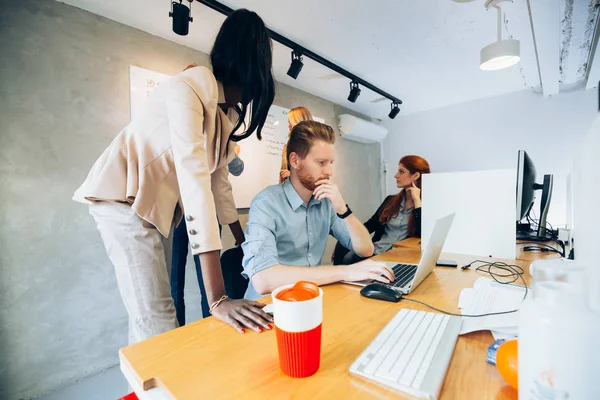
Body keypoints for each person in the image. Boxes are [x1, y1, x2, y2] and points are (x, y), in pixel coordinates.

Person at [73, 9, 275, 342]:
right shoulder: (193, 87)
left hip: (154, 213)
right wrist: (218, 299)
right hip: (123, 203)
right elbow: (195, 184)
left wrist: (247, 250)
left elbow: (219, 186)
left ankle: (141, 389)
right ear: (252, 66)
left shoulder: (224, 113)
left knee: (150, 314)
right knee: (158, 322)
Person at [242, 121, 394, 300]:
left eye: (331, 163)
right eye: (321, 163)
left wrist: (343, 209)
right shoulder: (266, 203)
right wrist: (345, 272)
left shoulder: (325, 202)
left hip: (308, 298)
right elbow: (263, 279)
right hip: (267, 306)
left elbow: (366, 249)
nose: (329, 171)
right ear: (295, 160)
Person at [170, 145, 245, 326]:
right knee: (210, 288)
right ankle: (211, 336)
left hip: (176, 213)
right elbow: (233, 173)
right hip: (203, 216)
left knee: (175, 285)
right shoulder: (217, 134)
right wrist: (239, 235)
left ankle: (176, 339)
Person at [333, 155, 431, 265]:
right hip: (377, 253)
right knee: (346, 254)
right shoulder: (391, 201)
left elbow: (423, 236)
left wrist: (417, 201)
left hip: (401, 259)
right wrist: (346, 238)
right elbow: (370, 225)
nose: (395, 175)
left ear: (416, 175)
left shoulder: (426, 206)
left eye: (401, 172)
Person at [279, 106, 313, 183]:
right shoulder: (287, 146)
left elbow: (315, 175)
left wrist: (292, 175)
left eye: (290, 121)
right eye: (288, 122)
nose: (289, 125)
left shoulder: (313, 146)